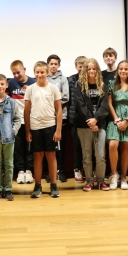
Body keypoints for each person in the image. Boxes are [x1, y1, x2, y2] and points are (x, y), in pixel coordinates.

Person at [24, 61, 63, 198]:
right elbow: (27, 111)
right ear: (34, 73)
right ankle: (37, 185)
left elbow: (59, 110)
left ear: (47, 73)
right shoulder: (30, 89)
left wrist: (58, 130)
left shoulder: (53, 88)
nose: (40, 74)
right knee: (37, 156)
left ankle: (53, 185)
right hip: (35, 127)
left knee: (51, 155)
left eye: (42, 72)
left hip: (50, 126)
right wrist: (28, 131)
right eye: (37, 72)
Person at [75, 58, 110, 191]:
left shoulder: (103, 85)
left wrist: (96, 119)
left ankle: (100, 181)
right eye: (89, 69)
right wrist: (91, 121)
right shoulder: (79, 85)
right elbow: (80, 105)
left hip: (99, 124)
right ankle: (89, 180)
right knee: (87, 155)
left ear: (97, 70)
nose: (91, 71)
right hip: (84, 125)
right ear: (85, 70)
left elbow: (105, 105)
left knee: (100, 155)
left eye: (94, 69)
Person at [106, 60, 128, 190]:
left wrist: (126, 121)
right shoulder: (111, 84)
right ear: (117, 71)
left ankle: (124, 177)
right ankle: (114, 175)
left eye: (126, 69)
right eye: (121, 69)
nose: (123, 71)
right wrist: (117, 119)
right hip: (115, 118)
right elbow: (109, 103)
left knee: (126, 148)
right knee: (113, 145)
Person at [8, 60, 36, 184]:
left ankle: (29, 171)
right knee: (18, 147)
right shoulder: (11, 83)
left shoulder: (33, 83)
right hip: (17, 122)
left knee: (30, 147)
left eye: (18, 72)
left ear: (24, 69)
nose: (16, 76)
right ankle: (20, 171)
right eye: (13, 73)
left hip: (31, 121)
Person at [46, 54, 69, 183]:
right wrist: (56, 95)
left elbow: (66, 97)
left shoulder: (63, 79)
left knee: (60, 146)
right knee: (50, 146)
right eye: (51, 64)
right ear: (48, 64)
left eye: (56, 64)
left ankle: (60, 171)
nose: (53, 66)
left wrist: (52, 96)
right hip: (48, 117)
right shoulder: (45, 78)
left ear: (59, 65)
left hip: (62, 117)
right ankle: (51, 172)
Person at [67, 56, 87, 182]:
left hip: (88, 118)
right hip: (74, 117)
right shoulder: (70, 80)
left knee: (89, 146)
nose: (82, 68)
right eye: (80, 66)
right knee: (77, 146)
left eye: (84, 66)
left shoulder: (91, 79)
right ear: (76, 67)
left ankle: (89, 169)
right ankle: (77, 168)